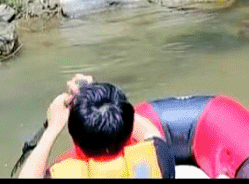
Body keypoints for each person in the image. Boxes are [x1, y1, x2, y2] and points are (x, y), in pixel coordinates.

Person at [18, 74, 176, 179]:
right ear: (128, 134)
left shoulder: (62, 175)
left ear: (75, 140)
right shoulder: (159, 161)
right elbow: (150, 132)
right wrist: (97, 94)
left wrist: (53, 127)